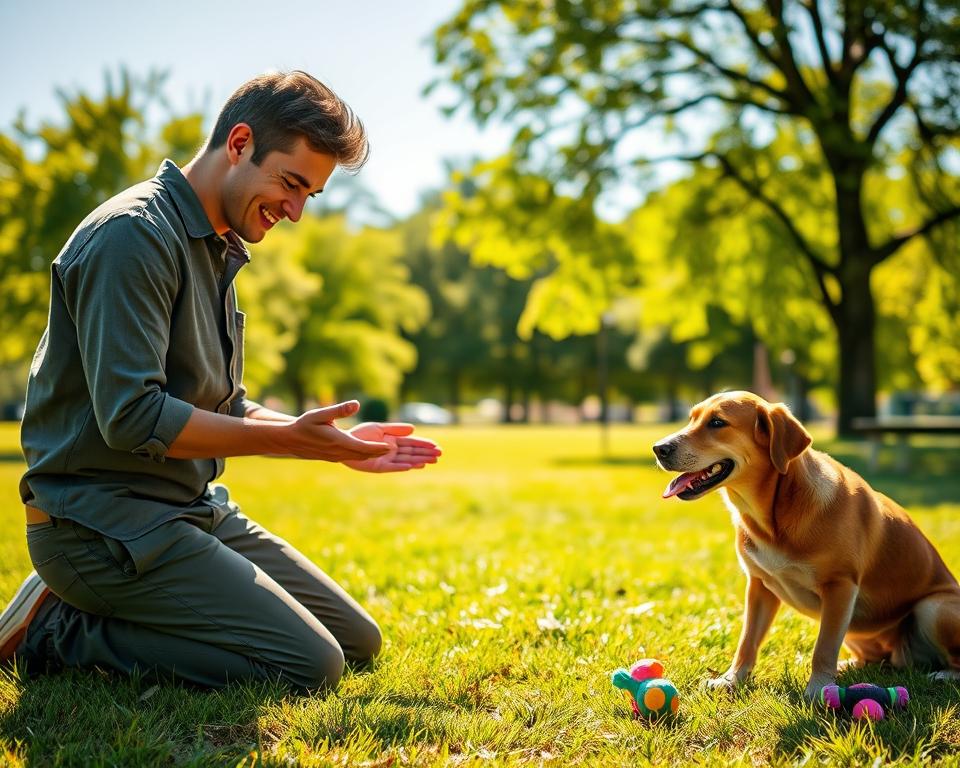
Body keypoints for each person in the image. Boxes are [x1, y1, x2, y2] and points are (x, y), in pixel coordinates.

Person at [0, 71, 441, 691]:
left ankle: (107, 610)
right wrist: (286, 441)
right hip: (101, 529)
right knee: (311, 665)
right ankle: (58, 628)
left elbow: (224, 404)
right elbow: (133, 418)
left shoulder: (213, 244)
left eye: (308, 196)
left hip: (187, 509)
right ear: (238, 143)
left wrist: (324, 440)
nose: (294, 211)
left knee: (356, 639)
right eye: (291, 183)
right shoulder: (132, 236)